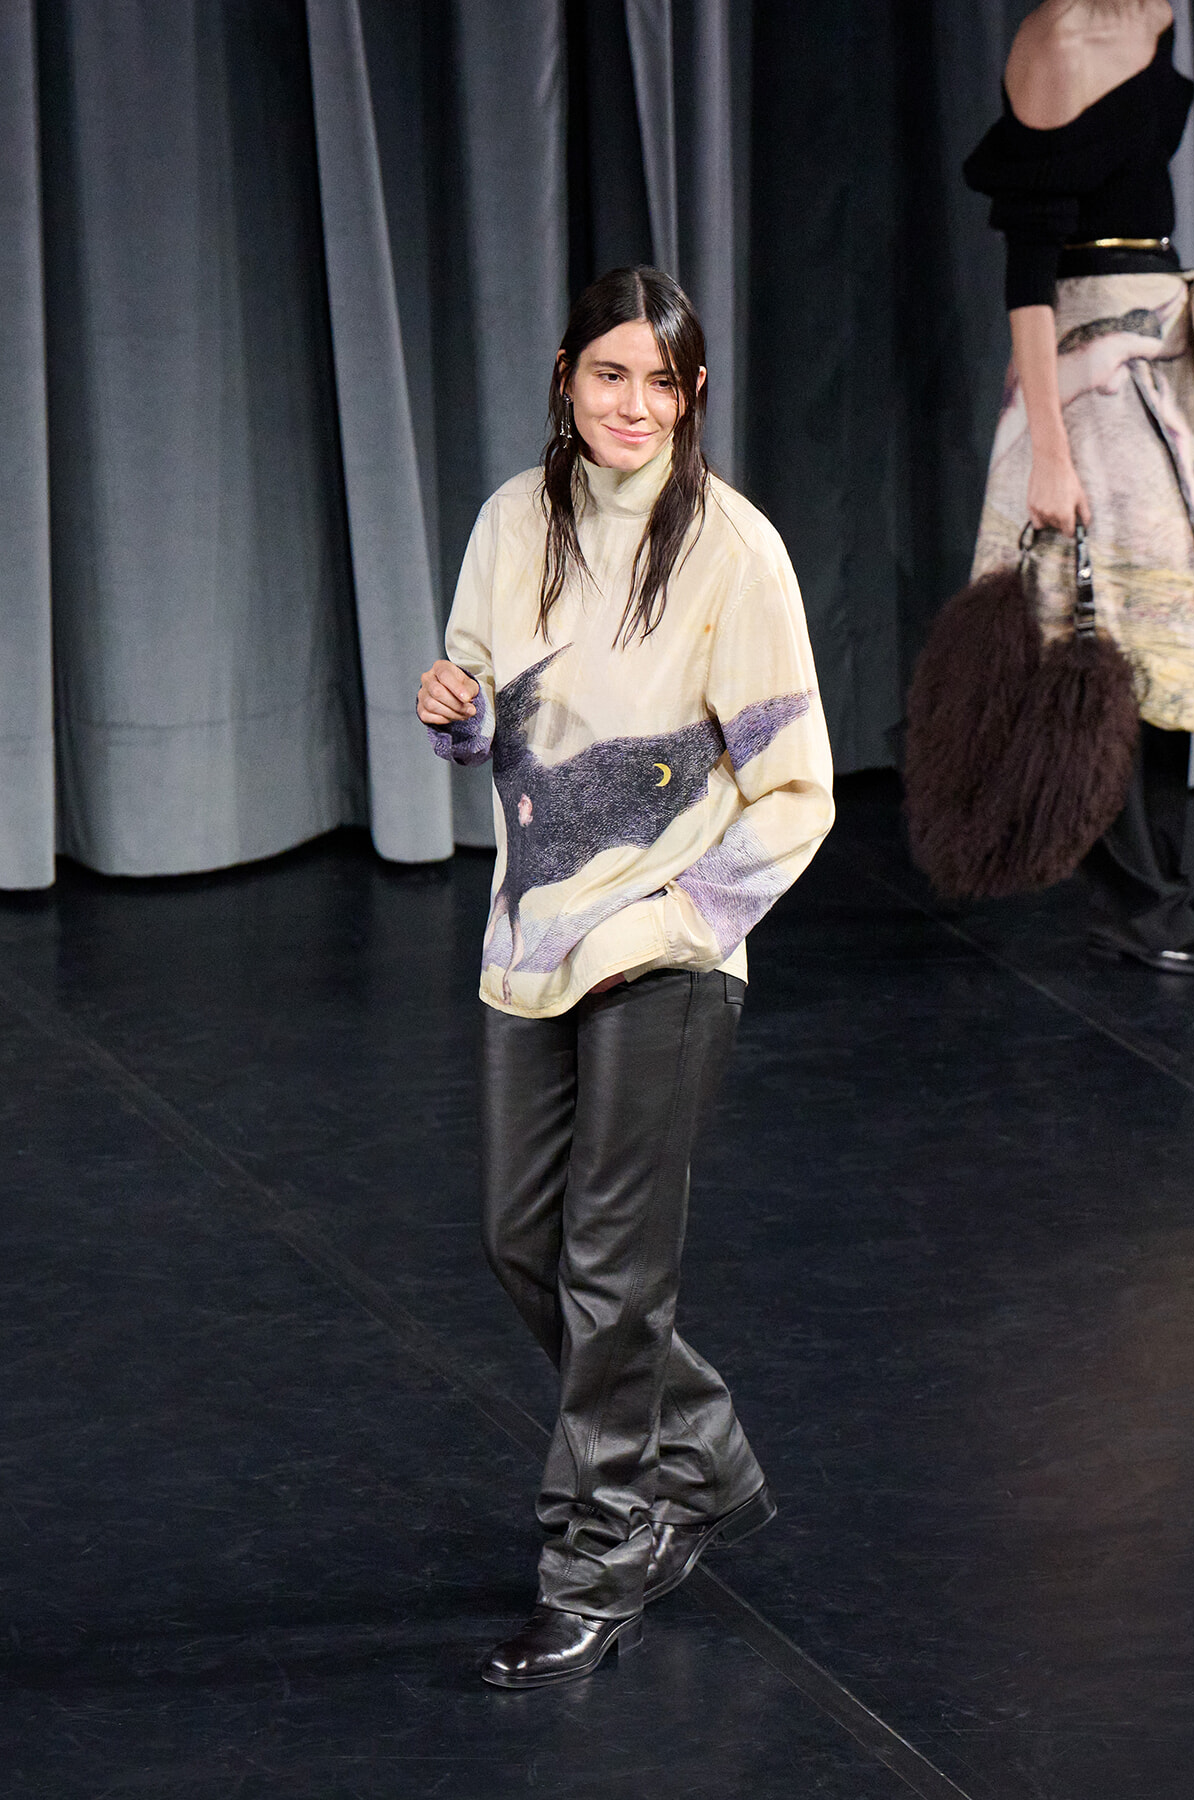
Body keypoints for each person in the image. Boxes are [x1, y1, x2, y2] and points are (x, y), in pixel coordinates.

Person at [416, 266, 834, 1688]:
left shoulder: (735, 551)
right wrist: (454, 717)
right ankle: (702, 1452)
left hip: (663, 948)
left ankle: (599, 1552)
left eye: (662, 382)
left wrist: (683, 917)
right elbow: (490, 727)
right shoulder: (510, 524)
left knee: (611, 1267)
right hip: (531, 937)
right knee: (520, 1242)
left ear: (694, 395)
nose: (634, 405)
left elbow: (796, 791)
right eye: (610, 375)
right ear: (565, 377)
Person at [964, 0, 1194, 971]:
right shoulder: (1058, 38)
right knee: (1094, 620)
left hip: (1160, 333)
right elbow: (1030, 267)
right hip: (1084, 351)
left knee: (1170, 623)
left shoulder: (1157, 16)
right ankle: (1136, 899)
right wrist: (1049, 450)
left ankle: (1164, 893)